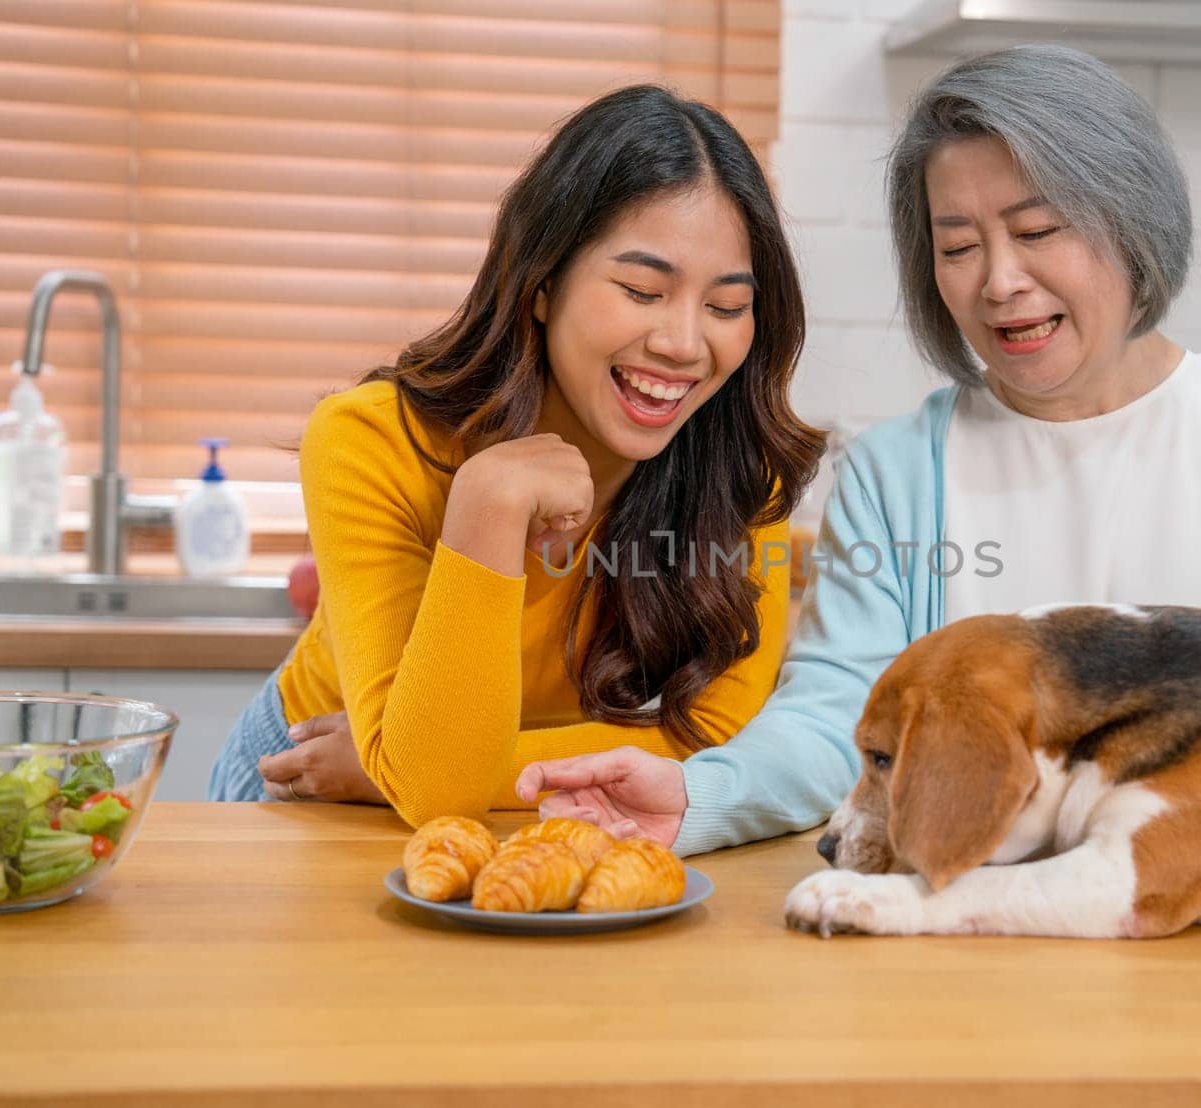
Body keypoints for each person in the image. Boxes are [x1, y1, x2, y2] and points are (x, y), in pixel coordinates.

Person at [491, 45, 1201, 856]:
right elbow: (838, 724)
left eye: (1037, 230)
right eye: (956, 246)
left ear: (1132, 223)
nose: (998, 281)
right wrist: (694, 795)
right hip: (977, 948)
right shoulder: (895, 474)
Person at [206, 84, 822, 831]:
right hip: (311, 777)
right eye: (641, 290)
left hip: (445, 783)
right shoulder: (369, 440)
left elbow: (711, 736)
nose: (685, 344)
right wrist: (487, 505)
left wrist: (398, 767)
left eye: (726, 307)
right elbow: (438, 790)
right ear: (541, 281)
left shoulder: (739, 476)